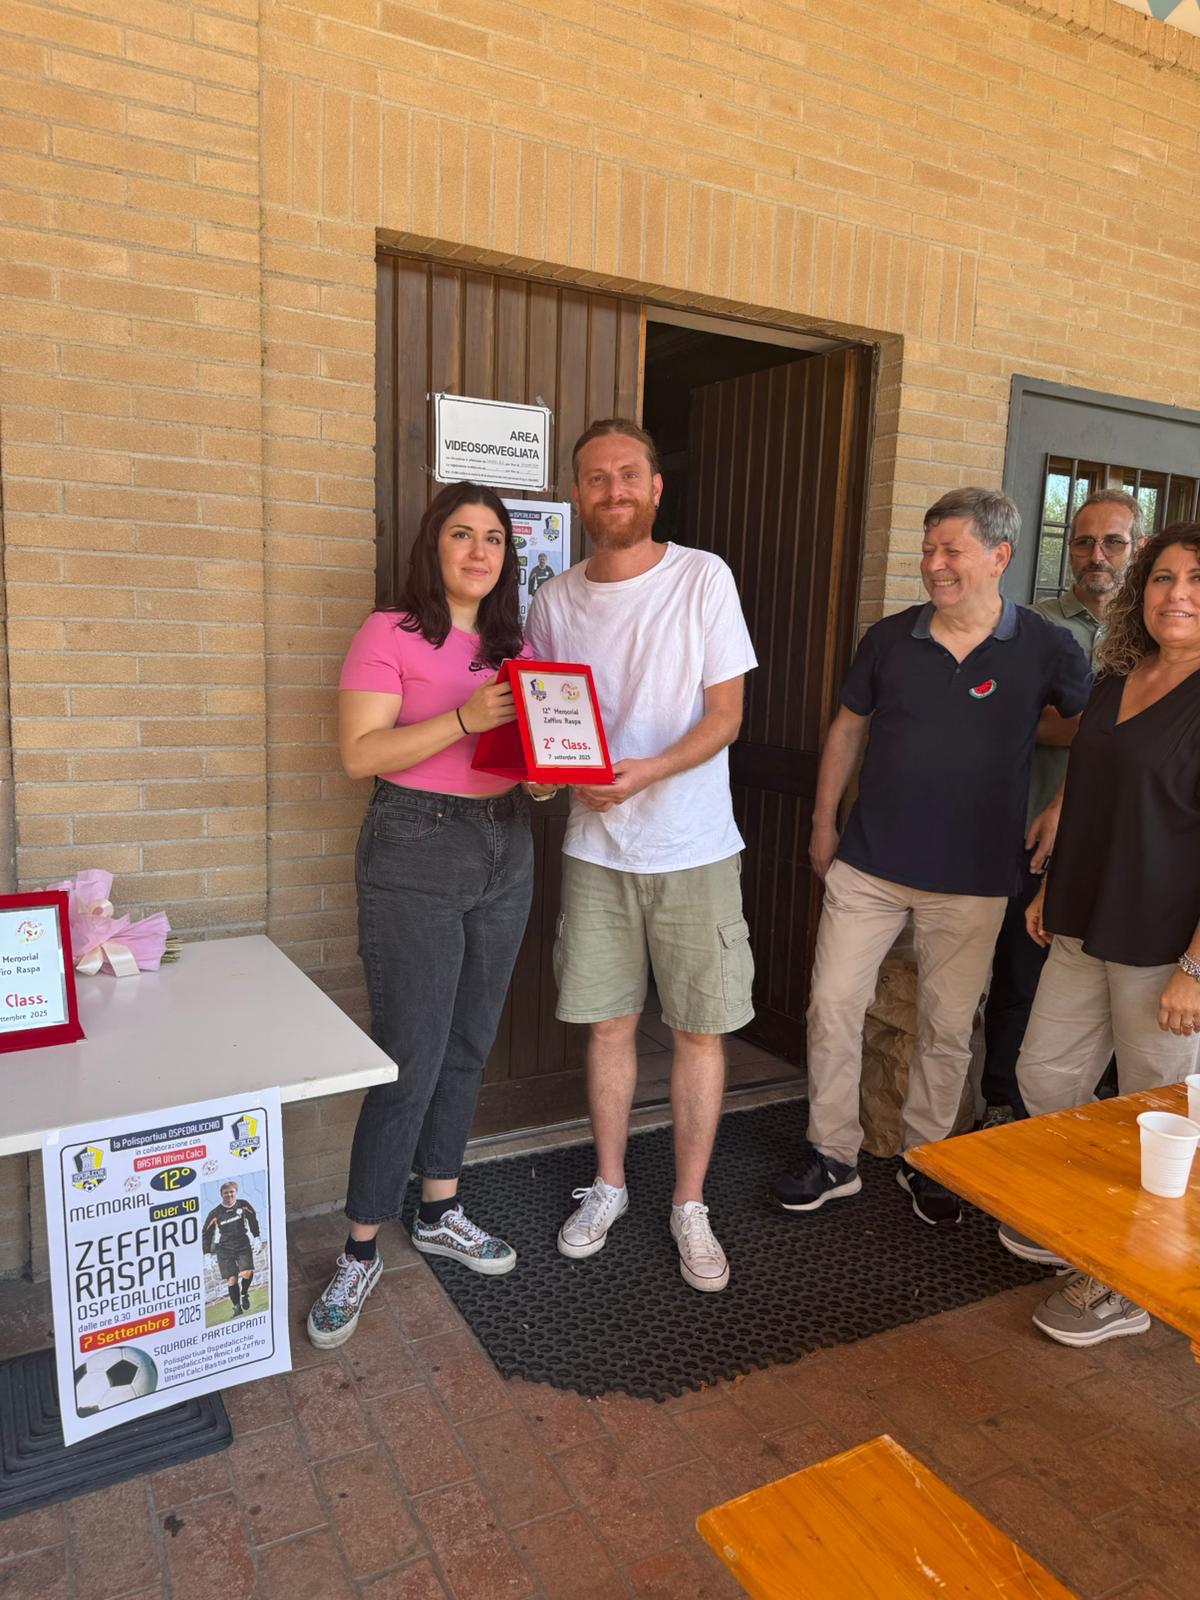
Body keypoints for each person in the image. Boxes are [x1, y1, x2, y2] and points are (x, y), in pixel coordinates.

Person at [773, 488, 1092, 1225]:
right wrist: (825, 824)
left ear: (999, 555)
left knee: (949, 1027)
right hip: (870, 864)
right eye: (928, 549)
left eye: (951, 549)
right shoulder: (888, 639)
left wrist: (1059, 804)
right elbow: (847, 731)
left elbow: (1102, 731)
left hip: (975, 878)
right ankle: (832, 1153)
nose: (934, 565)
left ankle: (929, 1159)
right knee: (831, 1007)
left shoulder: (1045, 645)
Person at [307, 482, 541, 1349]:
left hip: (505, 843)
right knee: (410, 1055)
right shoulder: (390, 633)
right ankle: (362, 1244)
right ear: (432, 546)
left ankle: (440, 1208)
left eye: (493, 538)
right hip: (415, 847)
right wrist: (461, 716)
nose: (479, 552)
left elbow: (519, 748)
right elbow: (358, 754)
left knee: (471, 1043)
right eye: (462, 535)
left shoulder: (518, 644)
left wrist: (544, 771)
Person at [527, 418, 757, 1293]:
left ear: (656, 487)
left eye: (629, 474)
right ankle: (611, 1184)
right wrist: (552, 781)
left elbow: (727, 716)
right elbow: (550, 719)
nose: (613, 489)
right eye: (595, 477)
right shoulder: (554, 599)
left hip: (694, 844)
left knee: (699, 1030)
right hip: (597, 849)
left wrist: (647, 772)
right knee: (609, 1025)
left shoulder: (703, 578)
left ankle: (689, 1204)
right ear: (576, 494)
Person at [998, 522, 1200, 1345]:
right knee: (1045, 1077)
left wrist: (1197, 966)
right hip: (1084, 920)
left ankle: (1132, 1281)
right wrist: (1054, 887)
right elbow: (1084, 782)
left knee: (1156, 1123)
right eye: (1162, 578)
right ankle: (1080, 1226)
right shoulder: (1121, 680)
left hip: (1165, 943)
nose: (1177, 594)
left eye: (1196, 579)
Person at [980, 490, 1143, 1126]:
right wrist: (1123, 726)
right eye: (1083, 541)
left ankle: (1100, 1112)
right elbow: (1015, 721)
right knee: (1022, 975)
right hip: (1034, 834)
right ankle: (1003, 1105)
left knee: (1115, 982)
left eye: (1113, 542)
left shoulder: (1160, 633)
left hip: (1123, 845)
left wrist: (1086, 722)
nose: (1095, 555)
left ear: (1137, 549)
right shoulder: (1032, 624)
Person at [202, 1180, 260, 1318]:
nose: (229, 1195)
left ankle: (244, 1293)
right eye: (226, 1193)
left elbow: (253, 1219)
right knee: (232, 1279)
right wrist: (207, 1254)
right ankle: (237, 1307)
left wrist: (256, 1236)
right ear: (221, 1194)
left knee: (246, 1273)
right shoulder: (215, 1213)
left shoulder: (243, 1205)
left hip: (242, 1243)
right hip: (224, 1248)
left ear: (236, 1192)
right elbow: (206, 1233)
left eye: (231, 1192)